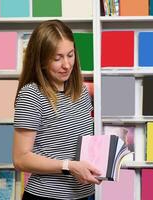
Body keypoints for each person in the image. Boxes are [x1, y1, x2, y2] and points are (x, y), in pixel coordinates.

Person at [13, 20, 100, 200]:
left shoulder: (82, 92)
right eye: (57, 58)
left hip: (85, 194)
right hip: (47, 196)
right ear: (41, 60)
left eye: (70, 55)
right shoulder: (32, 94)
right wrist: (69, 166)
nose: (67, 65)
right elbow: (21, 159)